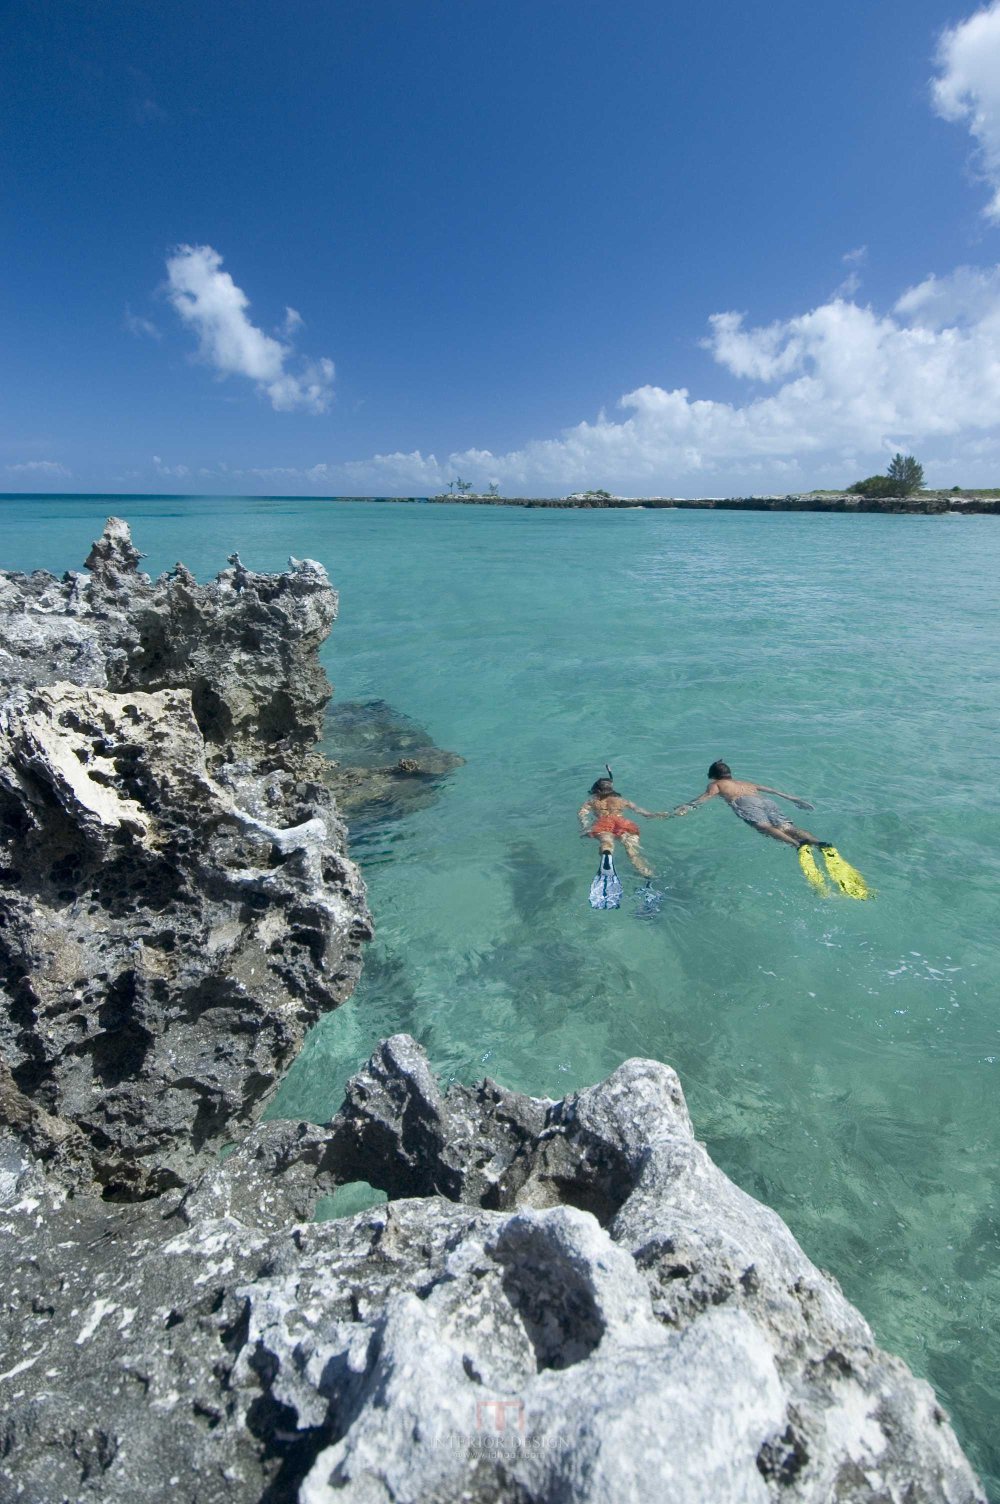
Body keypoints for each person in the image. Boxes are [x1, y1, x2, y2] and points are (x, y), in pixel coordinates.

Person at [671, 760, 829, 848]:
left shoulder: (717, 784)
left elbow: (706, 796)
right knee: (788, 827)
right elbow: (772, 790)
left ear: (713, 775)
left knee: (764, 827)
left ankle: (797, 844)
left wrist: (688, 806)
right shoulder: (744, 783)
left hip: (745, 803)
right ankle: (817, 842)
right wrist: (794, 799)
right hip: (766, 801)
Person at [578, 775, 666, 877]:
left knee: (606, 841)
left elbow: (582, 813)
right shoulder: (622, 800)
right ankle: (645, 871)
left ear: (596, 789)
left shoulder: (592, 801)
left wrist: (585, 825)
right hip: (623, 824)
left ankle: (607, 853)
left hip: (603, 823)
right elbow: (640, 811)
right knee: (631, 849)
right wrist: (653, 815)